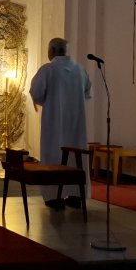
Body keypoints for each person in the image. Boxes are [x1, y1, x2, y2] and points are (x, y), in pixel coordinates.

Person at [29, 38, 92, 210]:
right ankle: (76, 195)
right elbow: (87, 92)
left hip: (54, 122)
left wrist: (48, 101)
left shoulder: (48, 70)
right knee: (75, 157)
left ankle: (53, 197)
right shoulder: (80, 70)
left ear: (51, 51)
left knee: (53, 155)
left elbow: (36, 92)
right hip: (76, 123)